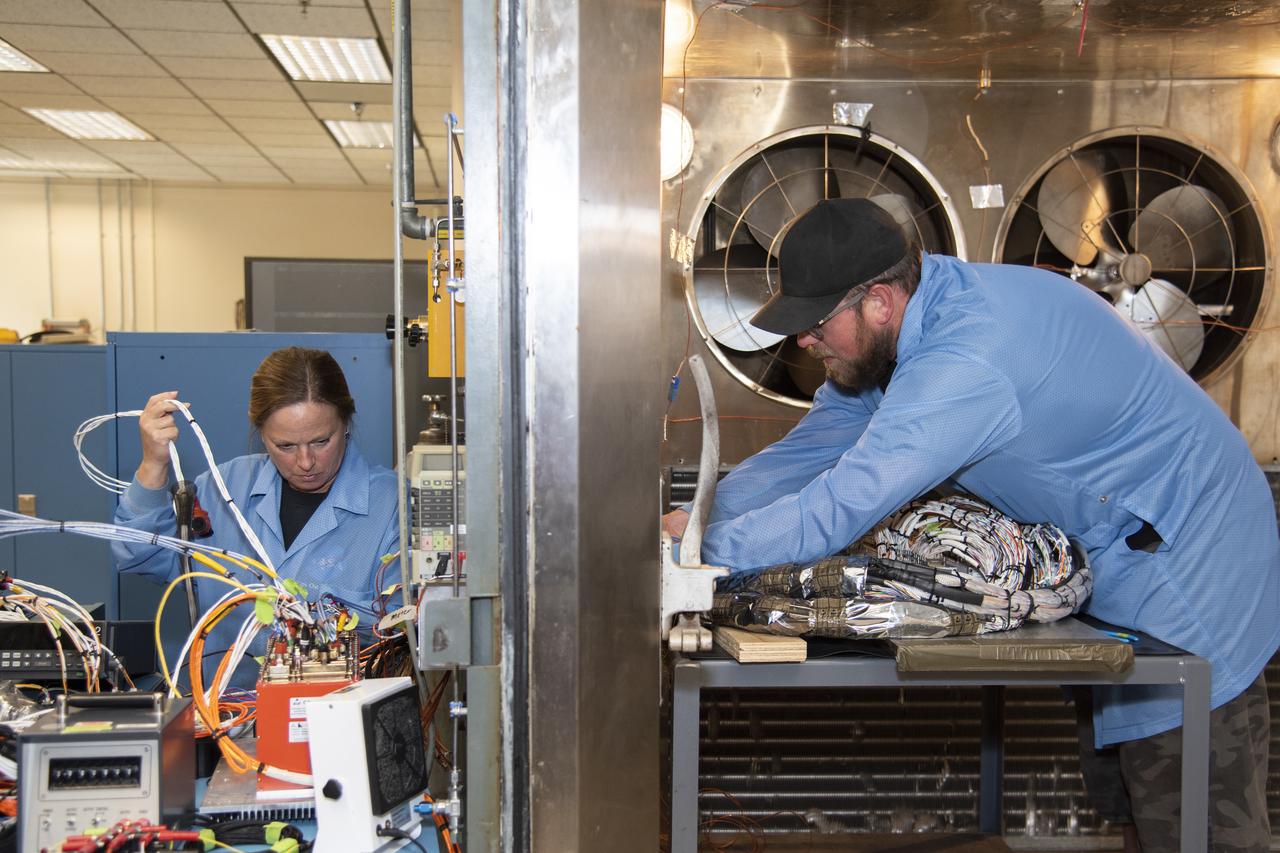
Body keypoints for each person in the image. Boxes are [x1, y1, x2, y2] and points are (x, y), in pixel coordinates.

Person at [662, 198, 1277, 852]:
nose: (802, 342)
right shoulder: (903, 332)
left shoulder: (964, 358)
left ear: (876, 302)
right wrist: (699, 519)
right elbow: (812, 450)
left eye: (814, 324)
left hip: (1188, 556)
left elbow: (847, 499)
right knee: (1130, 794)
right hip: (1115, 555)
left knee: (1191, 815)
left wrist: (701, 554)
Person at [114, 346, 401, 685]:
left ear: (347, 423)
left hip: (339, 726)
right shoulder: (223, 491)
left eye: (321, 441)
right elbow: (138, 557)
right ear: (260, 433)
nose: (306, 462)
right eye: (286, 446)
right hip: (229, 720)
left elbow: (403, 635)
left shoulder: (393, 506)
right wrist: (153, 465)